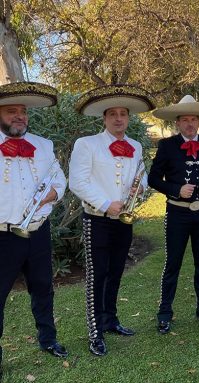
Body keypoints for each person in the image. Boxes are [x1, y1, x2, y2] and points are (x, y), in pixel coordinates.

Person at [69, 85, 155, 356]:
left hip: (124, 220)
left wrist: (139, 189)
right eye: (113, 114)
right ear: (104, 118)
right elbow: (77, 182)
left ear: (128, 118)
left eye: (123, 114)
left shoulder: (136, 146)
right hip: (97, 219)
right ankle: (94, 330)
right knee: (98, 275)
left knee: (116, 271)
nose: (119, 119)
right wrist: (107, 204)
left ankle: (110, 319)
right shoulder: (87, 144)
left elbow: (143, 176)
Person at [0, 82, 68, 372]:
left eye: (23, 111)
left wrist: (55, 193)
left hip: (38, 231)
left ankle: (48, 338)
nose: (20, 116)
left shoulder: (43, 145)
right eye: (12, 111)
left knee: (43, 287)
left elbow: (59, 179)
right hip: (4, 236)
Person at [148, 95, 199, 334]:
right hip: (177, 214)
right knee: (173, 263)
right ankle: (164, 313)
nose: (190, 124)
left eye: (194, 119)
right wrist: (175, 189)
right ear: (178, 123)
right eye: (185, 120)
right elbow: (152, 179)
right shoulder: (166, 146)